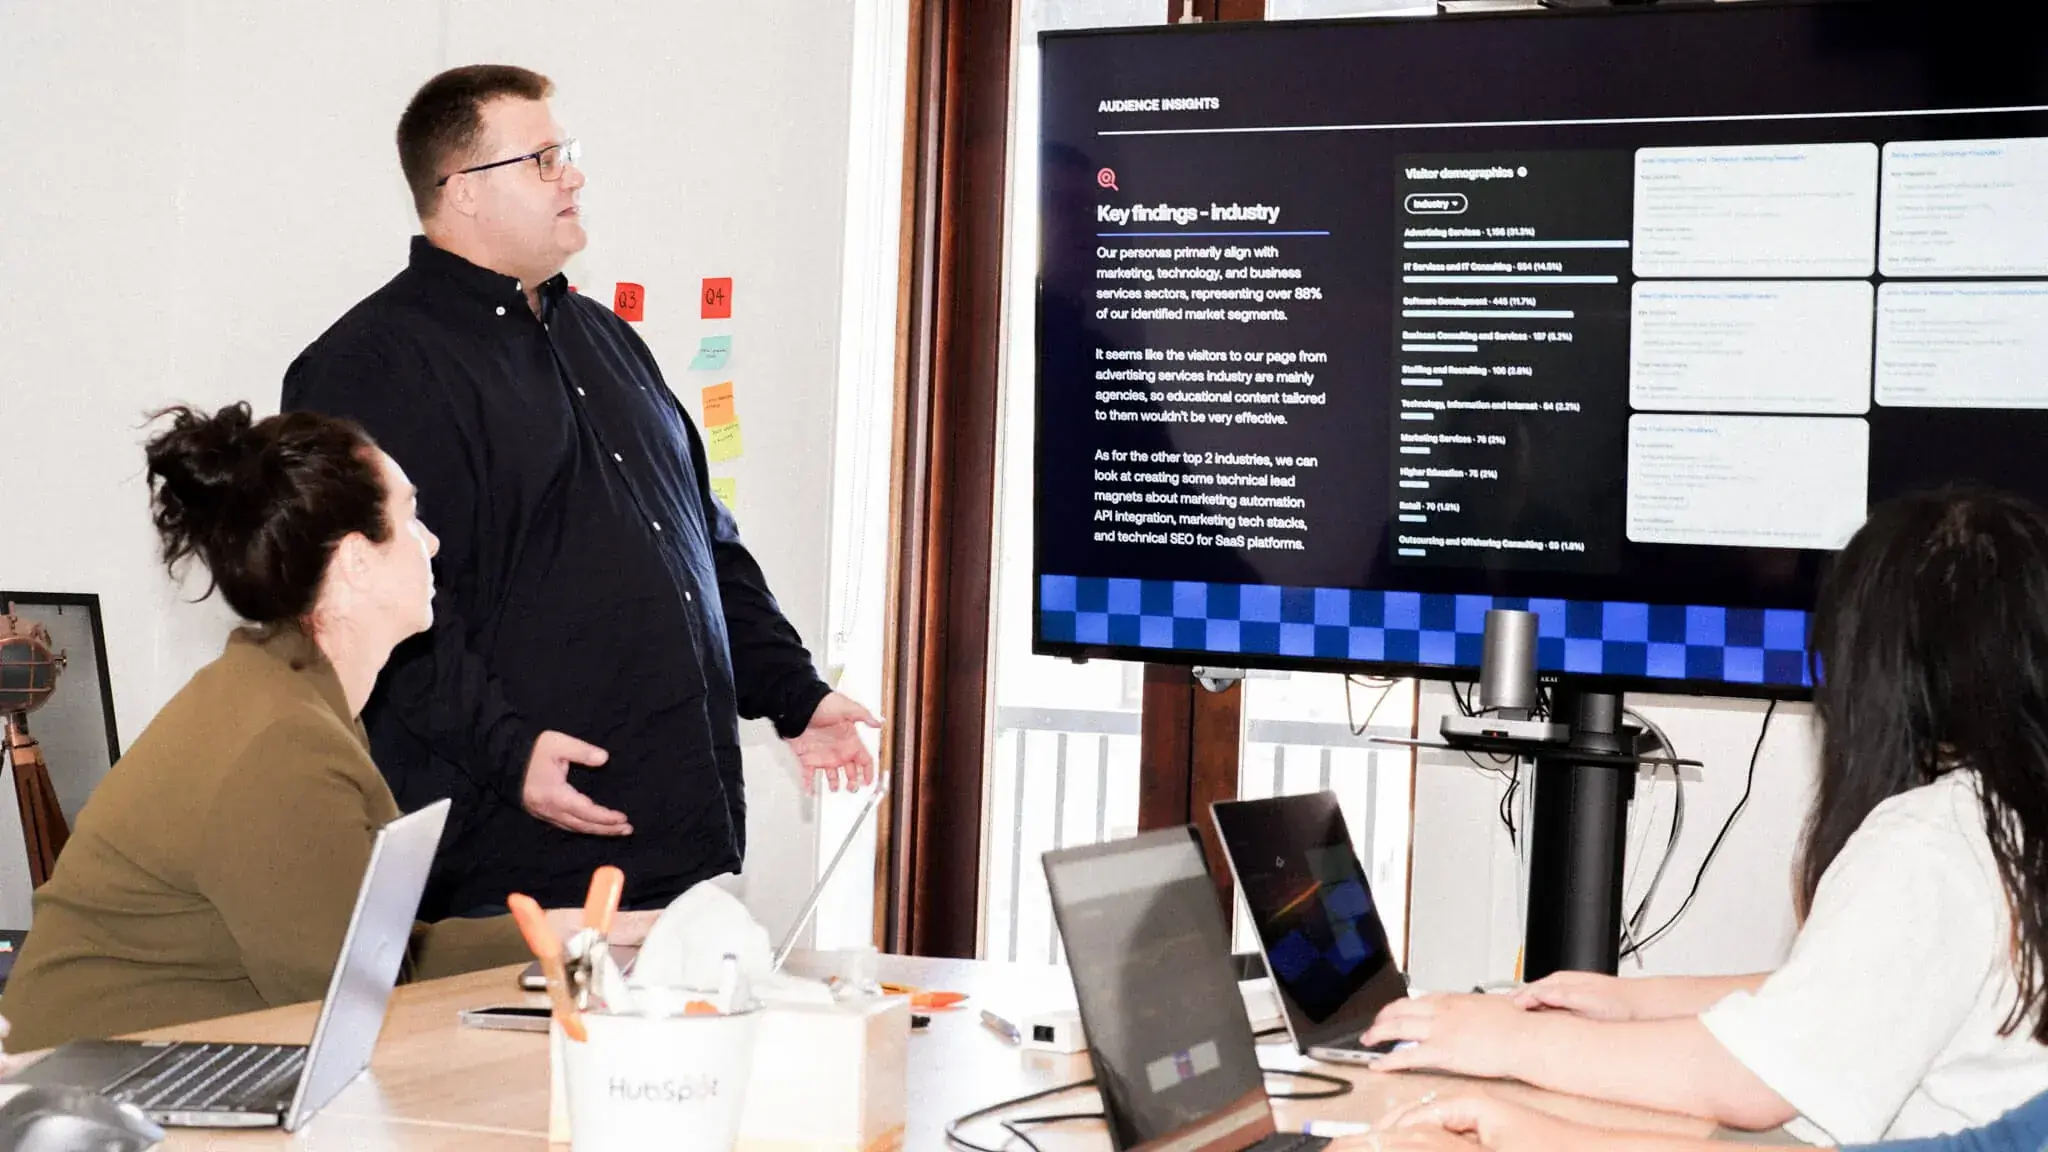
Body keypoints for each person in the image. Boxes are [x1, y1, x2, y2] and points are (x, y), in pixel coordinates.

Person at [280, 65, 878, 916]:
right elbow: (369, 609)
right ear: (462, 193)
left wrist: (795, 694)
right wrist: (511, 752)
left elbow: (700, 544)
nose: (574, 175)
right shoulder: (370, 365)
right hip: (509, 866)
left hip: (669, 844)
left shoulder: (605, 338)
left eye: (567, 152)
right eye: (543, 158)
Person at [1358, 486, 2048, 1144]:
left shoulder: (1933, 841)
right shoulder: (2011, 823)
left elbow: (1755, 1083)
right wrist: (1636, 1003)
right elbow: (1857, 984)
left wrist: (1506, 1043)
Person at [0, 404, 653, 1052]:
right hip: (92, 1103)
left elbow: (370, 956)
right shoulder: (284, 742)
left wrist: (568, 935)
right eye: (408, 519)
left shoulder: (285, 694)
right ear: (355, 564)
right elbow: (356, 1001)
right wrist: (573, 950)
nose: (431, 543)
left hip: (141, 1079)